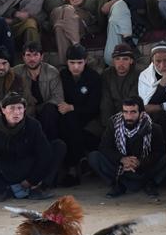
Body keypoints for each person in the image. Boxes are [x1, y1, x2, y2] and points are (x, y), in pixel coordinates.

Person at [0, 92, 64, 201]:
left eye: (19, 108)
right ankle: (2, 191)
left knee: (58, 146)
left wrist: (32, 180)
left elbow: (44, 153)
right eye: (12, 108)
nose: (16, 112)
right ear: (3, 110)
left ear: (24, 110)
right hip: (1, 169)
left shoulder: (33, 125)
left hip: (26, 168)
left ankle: (38, 189)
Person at [89, 96, 166, 198]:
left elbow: (159, 152)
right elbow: (104, 147)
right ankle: (118, 185)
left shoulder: (153, 128)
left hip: (144, 170)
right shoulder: (113, 125)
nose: (128, 116)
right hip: (120, 169)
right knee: (94, 157)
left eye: (133, 112)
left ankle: (150, 184)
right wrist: (122, 159)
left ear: (141, 113)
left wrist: (140, 162)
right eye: (125, 112)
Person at [57, 44, 103, 187]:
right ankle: (73, 166)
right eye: (72, 63)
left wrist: (73, 107)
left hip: (90, 119)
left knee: (74, 127)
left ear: (85, 62)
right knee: (69, 123)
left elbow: (94, 107)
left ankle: (73, 168)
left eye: (79, 63)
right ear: (67, 63)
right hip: (69, 119)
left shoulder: (93, 77)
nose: (76, 67)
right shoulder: (62, 76)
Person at [12, 42, 64, 142]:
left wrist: (39, 108)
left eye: (35, 55)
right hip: (26, 110)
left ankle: (48, 146)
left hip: (47, 111)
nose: (32, 59)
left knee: (49, 111)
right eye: (28, 55)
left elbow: (58, 98)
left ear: (42, 57)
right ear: (23, 57)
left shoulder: (52, 72)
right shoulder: (16, 72)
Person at [100, 43, 141, 124]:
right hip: (110, 117)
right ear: (113, 61)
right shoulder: (106, 75)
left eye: (125, 59)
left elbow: (132, 101)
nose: (121, 63)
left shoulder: (138, 75)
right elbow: (106, 102)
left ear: (131, 61)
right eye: (117, 59)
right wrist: (109, 125)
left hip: (130, 116)